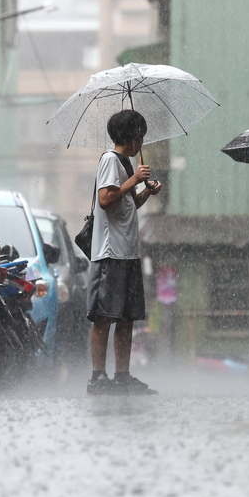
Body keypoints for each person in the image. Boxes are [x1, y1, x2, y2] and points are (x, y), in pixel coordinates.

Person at [86, 110, 161, 395]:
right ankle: (97, 378)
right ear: (133, 137)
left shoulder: (125, 163)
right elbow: (105, 200)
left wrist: (146, 192)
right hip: (110, 254)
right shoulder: (110, 159)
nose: (142, 142)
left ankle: (122, 376)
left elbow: (128, 205)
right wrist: (134, 180)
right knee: (104, 316)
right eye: (141, 136)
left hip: (128, 253)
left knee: (127, 318)